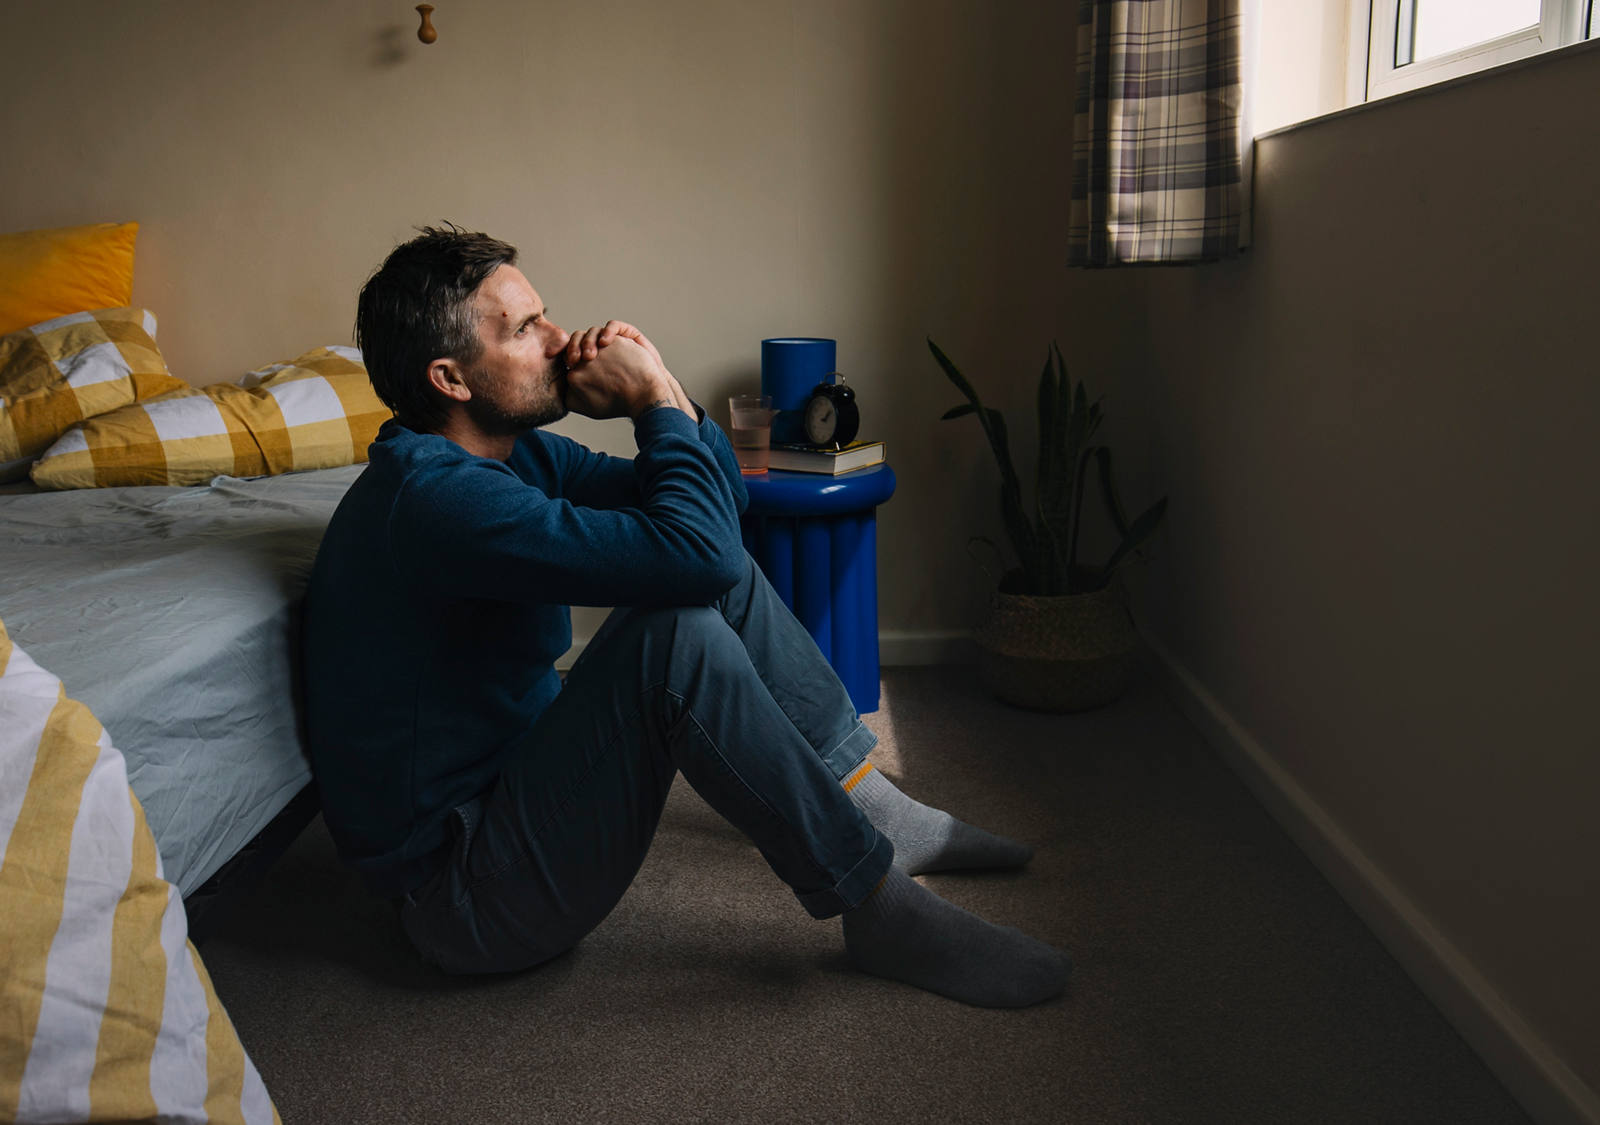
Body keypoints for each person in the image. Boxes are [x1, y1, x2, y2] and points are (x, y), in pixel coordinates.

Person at [302, 225, 1070, 1008]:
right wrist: (646, 404)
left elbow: (717, 513)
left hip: (519, 792)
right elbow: (700, 548)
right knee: (676, 635)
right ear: (451, 378)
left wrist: (664, 390)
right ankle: (872, 900)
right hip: (464, 896)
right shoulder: (440, 502)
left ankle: (870, 802)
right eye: (527, 330)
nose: (562, 340)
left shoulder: (514, 454)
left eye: (546, 315)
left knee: (706, 574)